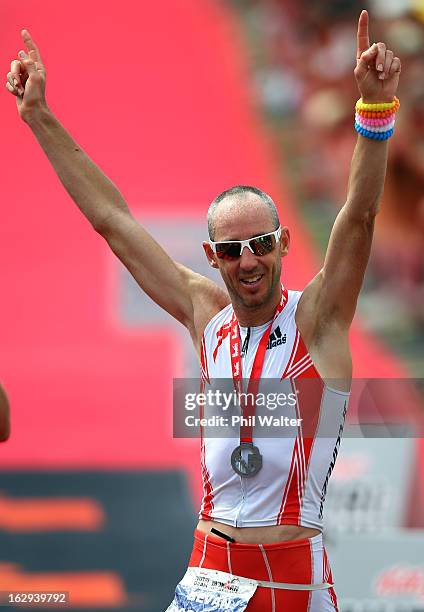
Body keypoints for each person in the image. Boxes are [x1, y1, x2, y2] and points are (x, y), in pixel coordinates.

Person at [6, 9, 401, 611]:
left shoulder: (318, 321)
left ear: (284, 244)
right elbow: (113, 222)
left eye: (262, 244)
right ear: (212, 257)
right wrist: (39, 117)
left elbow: (358, 218)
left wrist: (373, 111)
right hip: (208, 578)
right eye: (234, 250)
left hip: (293, 583)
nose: (250, 262)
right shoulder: (206, 316)